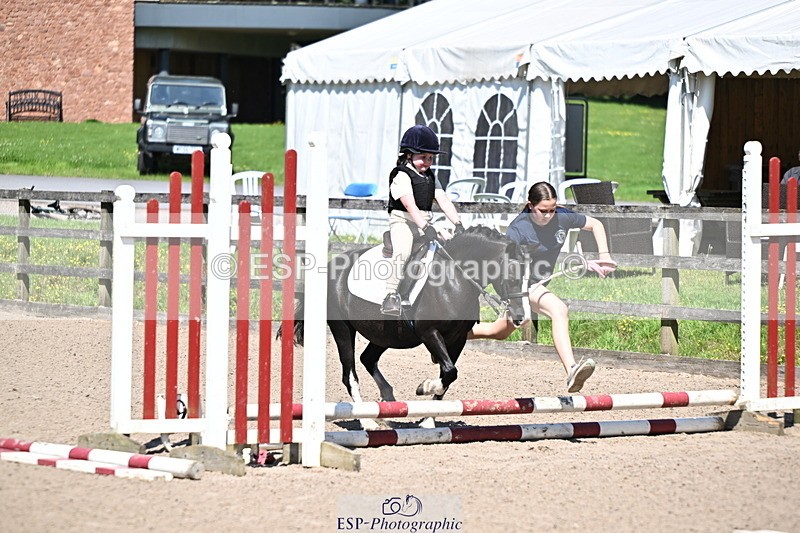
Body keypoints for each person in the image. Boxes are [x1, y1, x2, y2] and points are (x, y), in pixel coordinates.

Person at [468, 181, 617, 393]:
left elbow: (596, 224)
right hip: (520, 285)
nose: (548, 215)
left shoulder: (562, 217)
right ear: (530, 206)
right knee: (559, 310)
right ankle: (572, 370)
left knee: (498, 331)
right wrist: (515, 297)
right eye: (543, 211)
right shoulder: (517, 229)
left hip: (536, 284)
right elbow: (507, 268)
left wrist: (603, 257)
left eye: (552, 210)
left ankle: (452, 334)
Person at [382, 125, 464, 316]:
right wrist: (427, 227)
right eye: (423, 157)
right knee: (402, 252)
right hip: (403, 222)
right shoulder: (401, 175)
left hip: (424, 223)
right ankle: (390, 295)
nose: (427, 162)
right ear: (409, 155)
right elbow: (410, 205)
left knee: (449, 248)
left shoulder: (430, 177)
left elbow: (443, 199)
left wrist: (458, 223)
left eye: (430, 158)